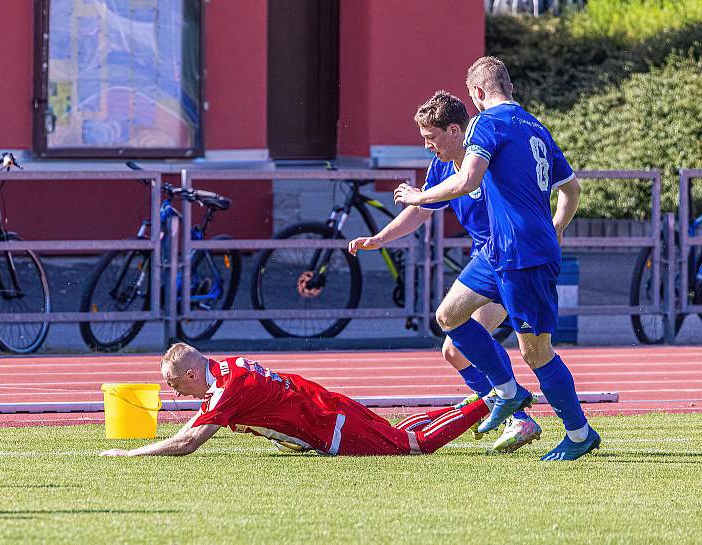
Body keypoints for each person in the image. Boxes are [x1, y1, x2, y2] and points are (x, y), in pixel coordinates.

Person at [393, 56, 599, 461]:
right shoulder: (535, 126)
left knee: (536, 351)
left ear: (478, 93)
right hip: (501, 250)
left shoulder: (487, 122)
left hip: (523, 253)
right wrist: (556, 226)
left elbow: (468, 179)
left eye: (472, 97)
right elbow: (571, 190)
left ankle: (579, 434)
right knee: (449, 317)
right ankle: (508, 394)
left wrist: (419, 196)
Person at [348, 90, 543, 454]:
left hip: (512, 258)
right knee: (454, 352)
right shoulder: (442, 167)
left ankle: (516, 410)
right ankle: (505, 405)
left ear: (455, 130)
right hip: (485, 259)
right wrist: (380, 238)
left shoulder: (485, 158)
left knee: (472, 338)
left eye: (432, 138)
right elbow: (422, 210)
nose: (427, 147)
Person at [100, 343, 491, 457]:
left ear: (190, 374)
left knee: (411, 446)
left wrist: (131, 455)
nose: (173, 391)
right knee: (396, 434)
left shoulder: (225, 390)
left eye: (174, 383)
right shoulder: (227, 366)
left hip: (327, 425)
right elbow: (207, 415)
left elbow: (187, 442)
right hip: (325, 403)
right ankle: (478, 401)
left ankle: (488, 404)